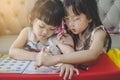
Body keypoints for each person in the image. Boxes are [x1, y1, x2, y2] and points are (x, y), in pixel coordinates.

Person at [35, 0, 112, 79]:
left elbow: (92, 54)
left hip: (101, 75)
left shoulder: (99, 33)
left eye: (76, 19)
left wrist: (56, 59)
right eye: (67, 19)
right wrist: (70, 47)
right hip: (82, 75)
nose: (70, 24)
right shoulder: (72, 34)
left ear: (89, 17)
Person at [9, 0, 79, 80]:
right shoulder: (27, 32)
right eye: (41, 26)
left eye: (52, 29)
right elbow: (12, 51)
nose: (45, 32)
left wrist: (68, 63)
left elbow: (70, 53)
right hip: (28, 75)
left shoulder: (56, 38)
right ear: (31, 20)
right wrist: (37, 56)